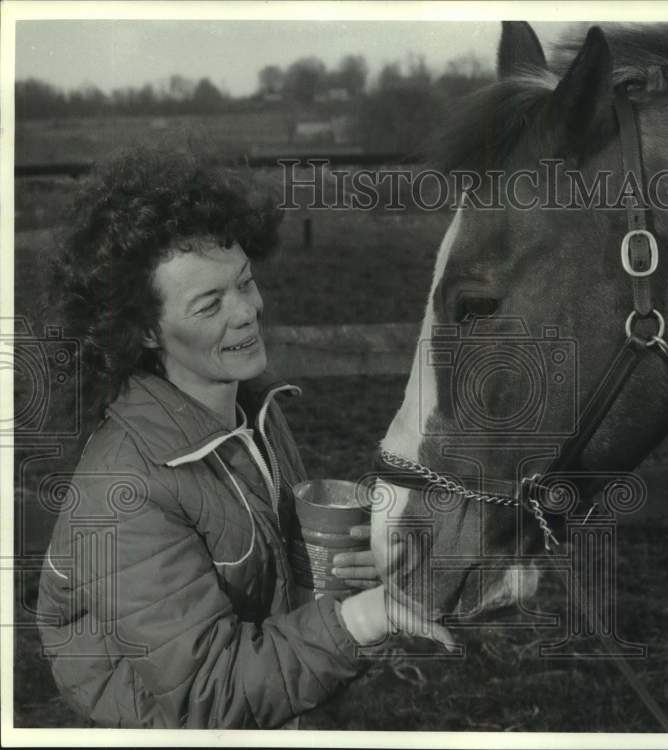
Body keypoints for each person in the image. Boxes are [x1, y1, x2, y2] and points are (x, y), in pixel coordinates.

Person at [34, 145, 453, 729]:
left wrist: (336, 572)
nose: (247, 311)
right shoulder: (124, 491)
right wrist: (371, 615)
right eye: (209, 304)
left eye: (245, 282)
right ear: (145, 330)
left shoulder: (252, 404)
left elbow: (266, 567)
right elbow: (208, 695)